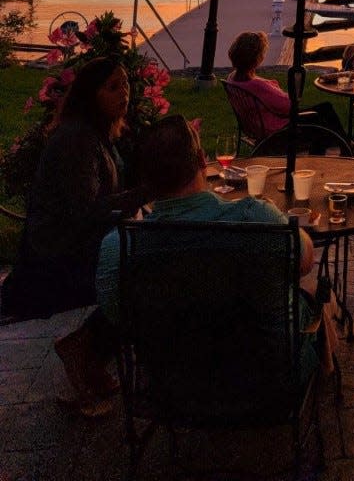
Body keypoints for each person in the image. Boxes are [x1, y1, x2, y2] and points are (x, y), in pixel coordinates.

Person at [96, 115, 321, 378]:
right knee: (315, 295)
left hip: (173, 386)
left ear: (144, 179)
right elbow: (305, 262)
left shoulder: (119, 246)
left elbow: (118, 317)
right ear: (203, 161)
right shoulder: (257, 220)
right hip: (264, 381)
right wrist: (288, 223)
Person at [0, 57, 142, 415]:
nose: (123, 93)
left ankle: (90, 359)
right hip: (53, 264)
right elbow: (86, 213)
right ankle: (84, 350)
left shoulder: (97, 133)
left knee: (146, 262)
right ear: (90, 95)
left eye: (125, 84)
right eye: (113, 87)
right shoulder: (78, 140)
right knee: (143, 274)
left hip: (72, 250)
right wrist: (142, 195)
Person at [227, 30, 354, 154]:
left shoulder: (233, 78)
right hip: (277, 130)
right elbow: (290, 105)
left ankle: (346, 145)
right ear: (256, 58)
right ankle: (343, 148)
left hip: (257, 126)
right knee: (322, 115)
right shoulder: (256, 85)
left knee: (323, 113)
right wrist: (273, 87)